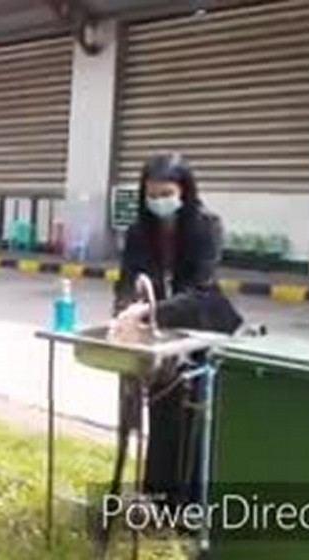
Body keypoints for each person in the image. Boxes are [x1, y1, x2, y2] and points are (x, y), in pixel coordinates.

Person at [112, 153, 242, 509]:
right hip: (160, 333)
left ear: (184, 191)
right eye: (152, 195)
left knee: (196, 415)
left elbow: (201, 289)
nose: (159, 202)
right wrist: (124, 313)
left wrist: (151, 310)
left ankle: (192, 507)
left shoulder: (206, 227)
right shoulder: (139, 232)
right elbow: (126, 281)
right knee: (161, 410)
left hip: (203, 327)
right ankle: (159, 498)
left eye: (166, 193)